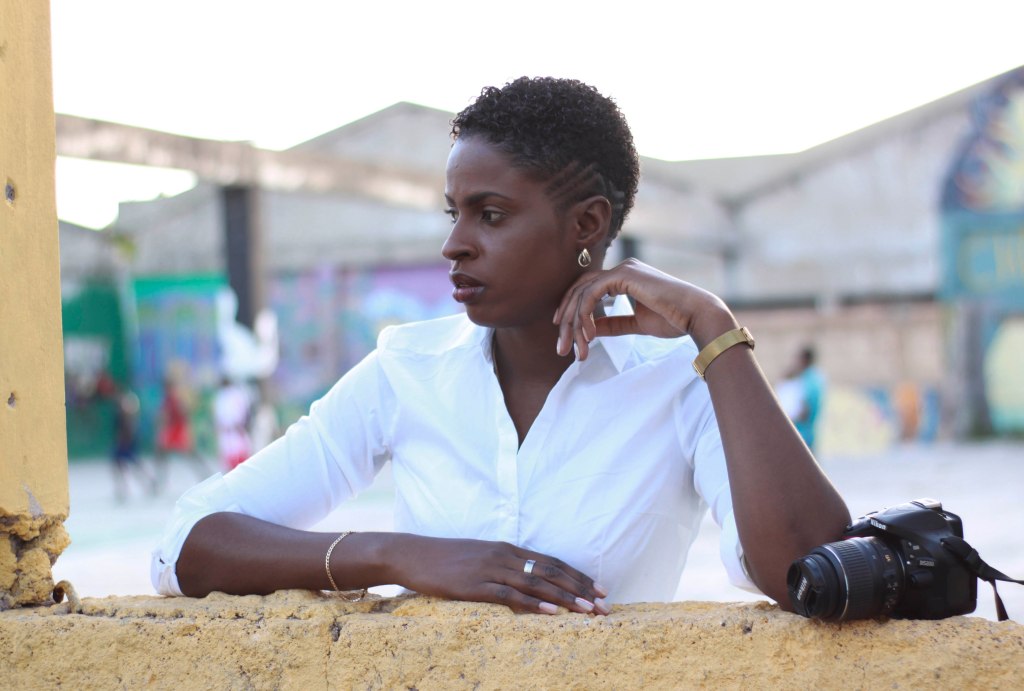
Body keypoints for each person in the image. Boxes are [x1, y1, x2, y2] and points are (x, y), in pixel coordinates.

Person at [152, 77, 850, 614]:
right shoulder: (407, 370)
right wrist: (401, 555)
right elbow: (184, 546)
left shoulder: (678, 381)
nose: (454, 244)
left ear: (587, 224)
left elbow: (812, 570)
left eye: (490, 214)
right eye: (453, 213)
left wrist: (713, 325)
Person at [784, 346, 825, 452]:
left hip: (801, 436)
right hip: (810, 434)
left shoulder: (807, 380)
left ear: (804, 360)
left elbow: (805, 410)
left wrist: (786, 420)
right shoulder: (818, 377)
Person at [212, 376, 255, 471]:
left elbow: (244, 413)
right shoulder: (221, 396)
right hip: (228, 433)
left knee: (241, 460)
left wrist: (240, 425)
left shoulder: (236, 395)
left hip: (237, 431)